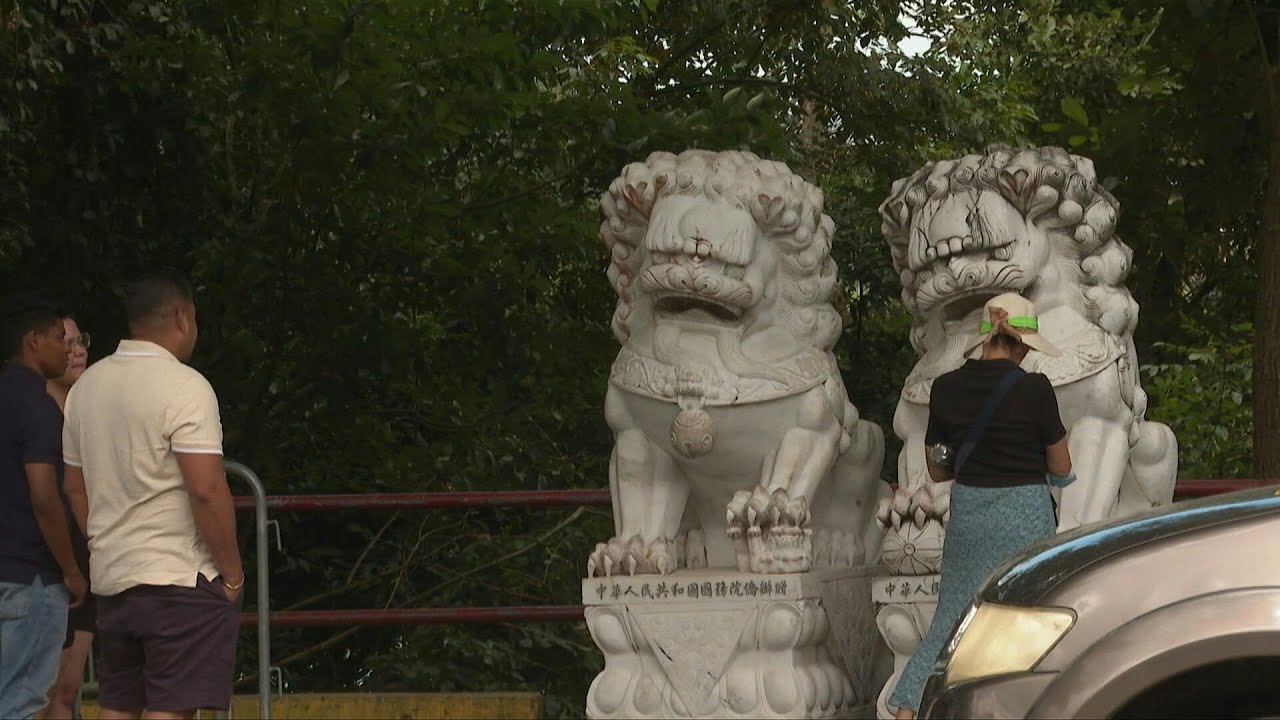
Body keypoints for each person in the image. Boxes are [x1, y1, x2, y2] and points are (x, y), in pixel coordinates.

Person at [62, 270, 244, 720]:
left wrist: (105, 542)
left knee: (118, 706)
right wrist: (233, 574)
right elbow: (205, 489)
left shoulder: (86, 388)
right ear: (182, 318)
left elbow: (72, 485)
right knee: (172, 708)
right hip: (177, 577)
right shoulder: (185, 386)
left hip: (113, 580)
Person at [889, 292, 1074, 719]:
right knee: (1025, 619)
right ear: (1022, 344)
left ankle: (906, 711)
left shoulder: (946, 388)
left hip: (970, 513)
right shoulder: (1035, 388)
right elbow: (1060, 465)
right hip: (1026, 518)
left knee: (951, 623)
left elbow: (937, 468)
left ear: (985, 337)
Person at [0, 297, 87, 720]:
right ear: (33, 341)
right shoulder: (38, 408)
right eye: (58, 339)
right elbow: (43, 492)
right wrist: (70, 569)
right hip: (32, 575)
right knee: (21, 700)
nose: (66, 349)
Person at [41, 316, 94, 720]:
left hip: (87, 559)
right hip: (45, 563)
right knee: (40, 691)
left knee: (67, 689)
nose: (77, 350)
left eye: (82, 341)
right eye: (68, 342)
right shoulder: (33, 413)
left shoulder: (92, 412)